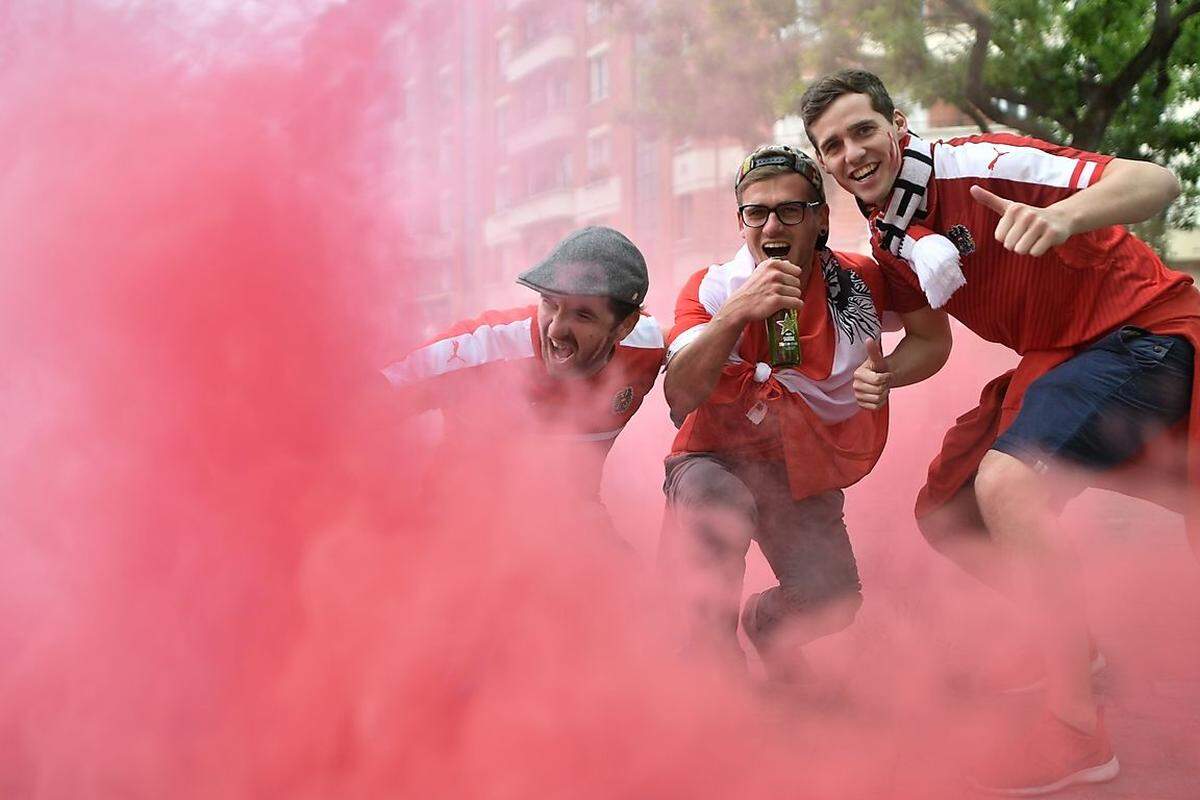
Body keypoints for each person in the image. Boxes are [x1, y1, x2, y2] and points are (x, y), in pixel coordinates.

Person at [801, 68, 1200, 795]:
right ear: (824, 164)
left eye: (863, 130)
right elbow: (932, 343)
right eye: (832, 145)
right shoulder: (890, 237)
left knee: (1006, 483)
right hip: (1060, 358)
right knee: (948, 511)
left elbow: (1157, 181)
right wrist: (884, 374)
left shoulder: (982, 161)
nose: (852, 152)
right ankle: (1074, 648)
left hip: (1145, 333)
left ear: (896, 124)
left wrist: (1065, 216)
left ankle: (1079, 733)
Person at [659, 144, 950, 683]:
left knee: (833, 600)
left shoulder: (862, 279)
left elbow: (932, 340)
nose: (773, 224)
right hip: (713, 459)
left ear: (819, 219)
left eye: (791, 210)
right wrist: (736, 314)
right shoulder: (712, 286)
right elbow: (680, 395)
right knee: (717, 503)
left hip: (800, 463)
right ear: (741, 222)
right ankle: (711, 669)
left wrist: (886, 375)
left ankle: (765, 625)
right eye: (757, 212)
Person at [381, 226, 666, 539]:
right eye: (550, 302)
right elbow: (362, 406)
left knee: (634, 583)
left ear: (624, 326)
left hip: (568, 524)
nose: (556, 330)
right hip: (459, 529)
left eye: (582, 315)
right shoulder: (479, 349)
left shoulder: (649, 348)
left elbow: (697, 345)